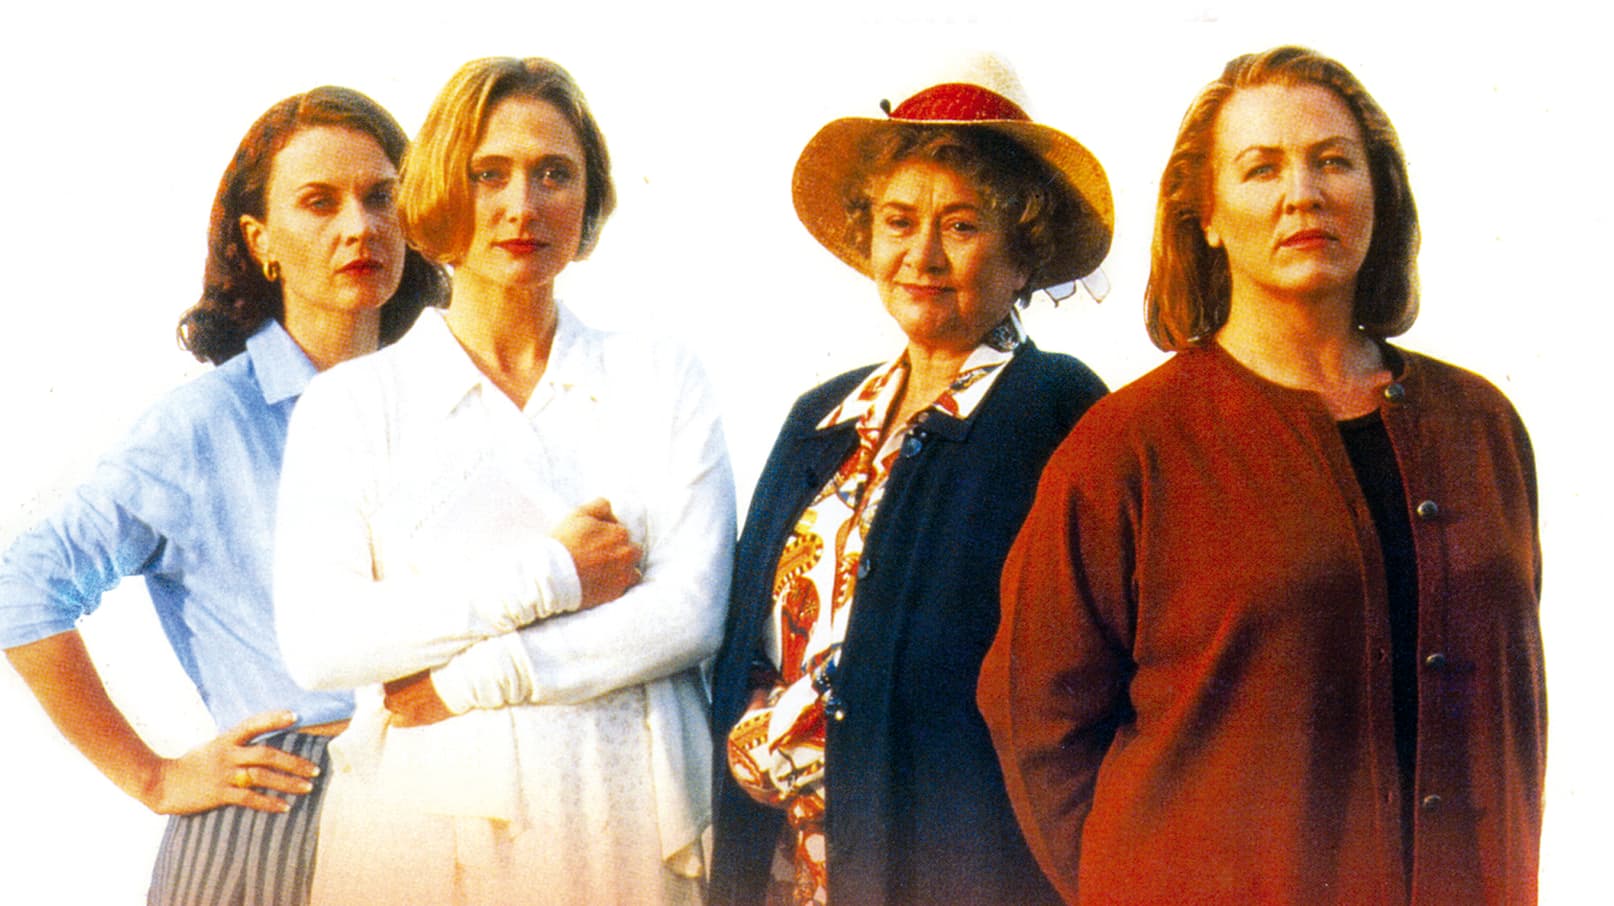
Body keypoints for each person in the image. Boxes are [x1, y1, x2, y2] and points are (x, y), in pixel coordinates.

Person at [980, 45, 1545, 905]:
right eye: (1261, 168)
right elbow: (1036, 722)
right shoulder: (1126, 448)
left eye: (1333, 162)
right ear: (1205, 215)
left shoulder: (1482, 425)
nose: (1302, 193)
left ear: (1379, 192)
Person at [271, 57, 735, 905]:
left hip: (625, 819)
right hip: (421, 838)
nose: (524, 205)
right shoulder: (353, 404)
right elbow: (324, 642)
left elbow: (691, 612)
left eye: (554, 173)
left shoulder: (659, 378)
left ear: (589, 196)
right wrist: (556, 574)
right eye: (490, 174)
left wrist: (468, 680)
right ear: (442, 187)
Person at [0, 86, 443, 905]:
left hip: (453, 802)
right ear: (260, 240)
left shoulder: (448, 407)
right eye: (320, 202)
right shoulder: (205, 425)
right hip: (282, 811)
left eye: (382, 196)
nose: (359, 225)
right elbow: (21, 586)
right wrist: (153, 776)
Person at [708, 55, 1112, 906]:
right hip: (793, 870)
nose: (922, 255)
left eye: (962, 226)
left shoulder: (1057, 409)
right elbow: (746, 635)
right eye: (899, 222)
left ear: (1023, 255)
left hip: (961, 868)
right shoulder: (821, 418)